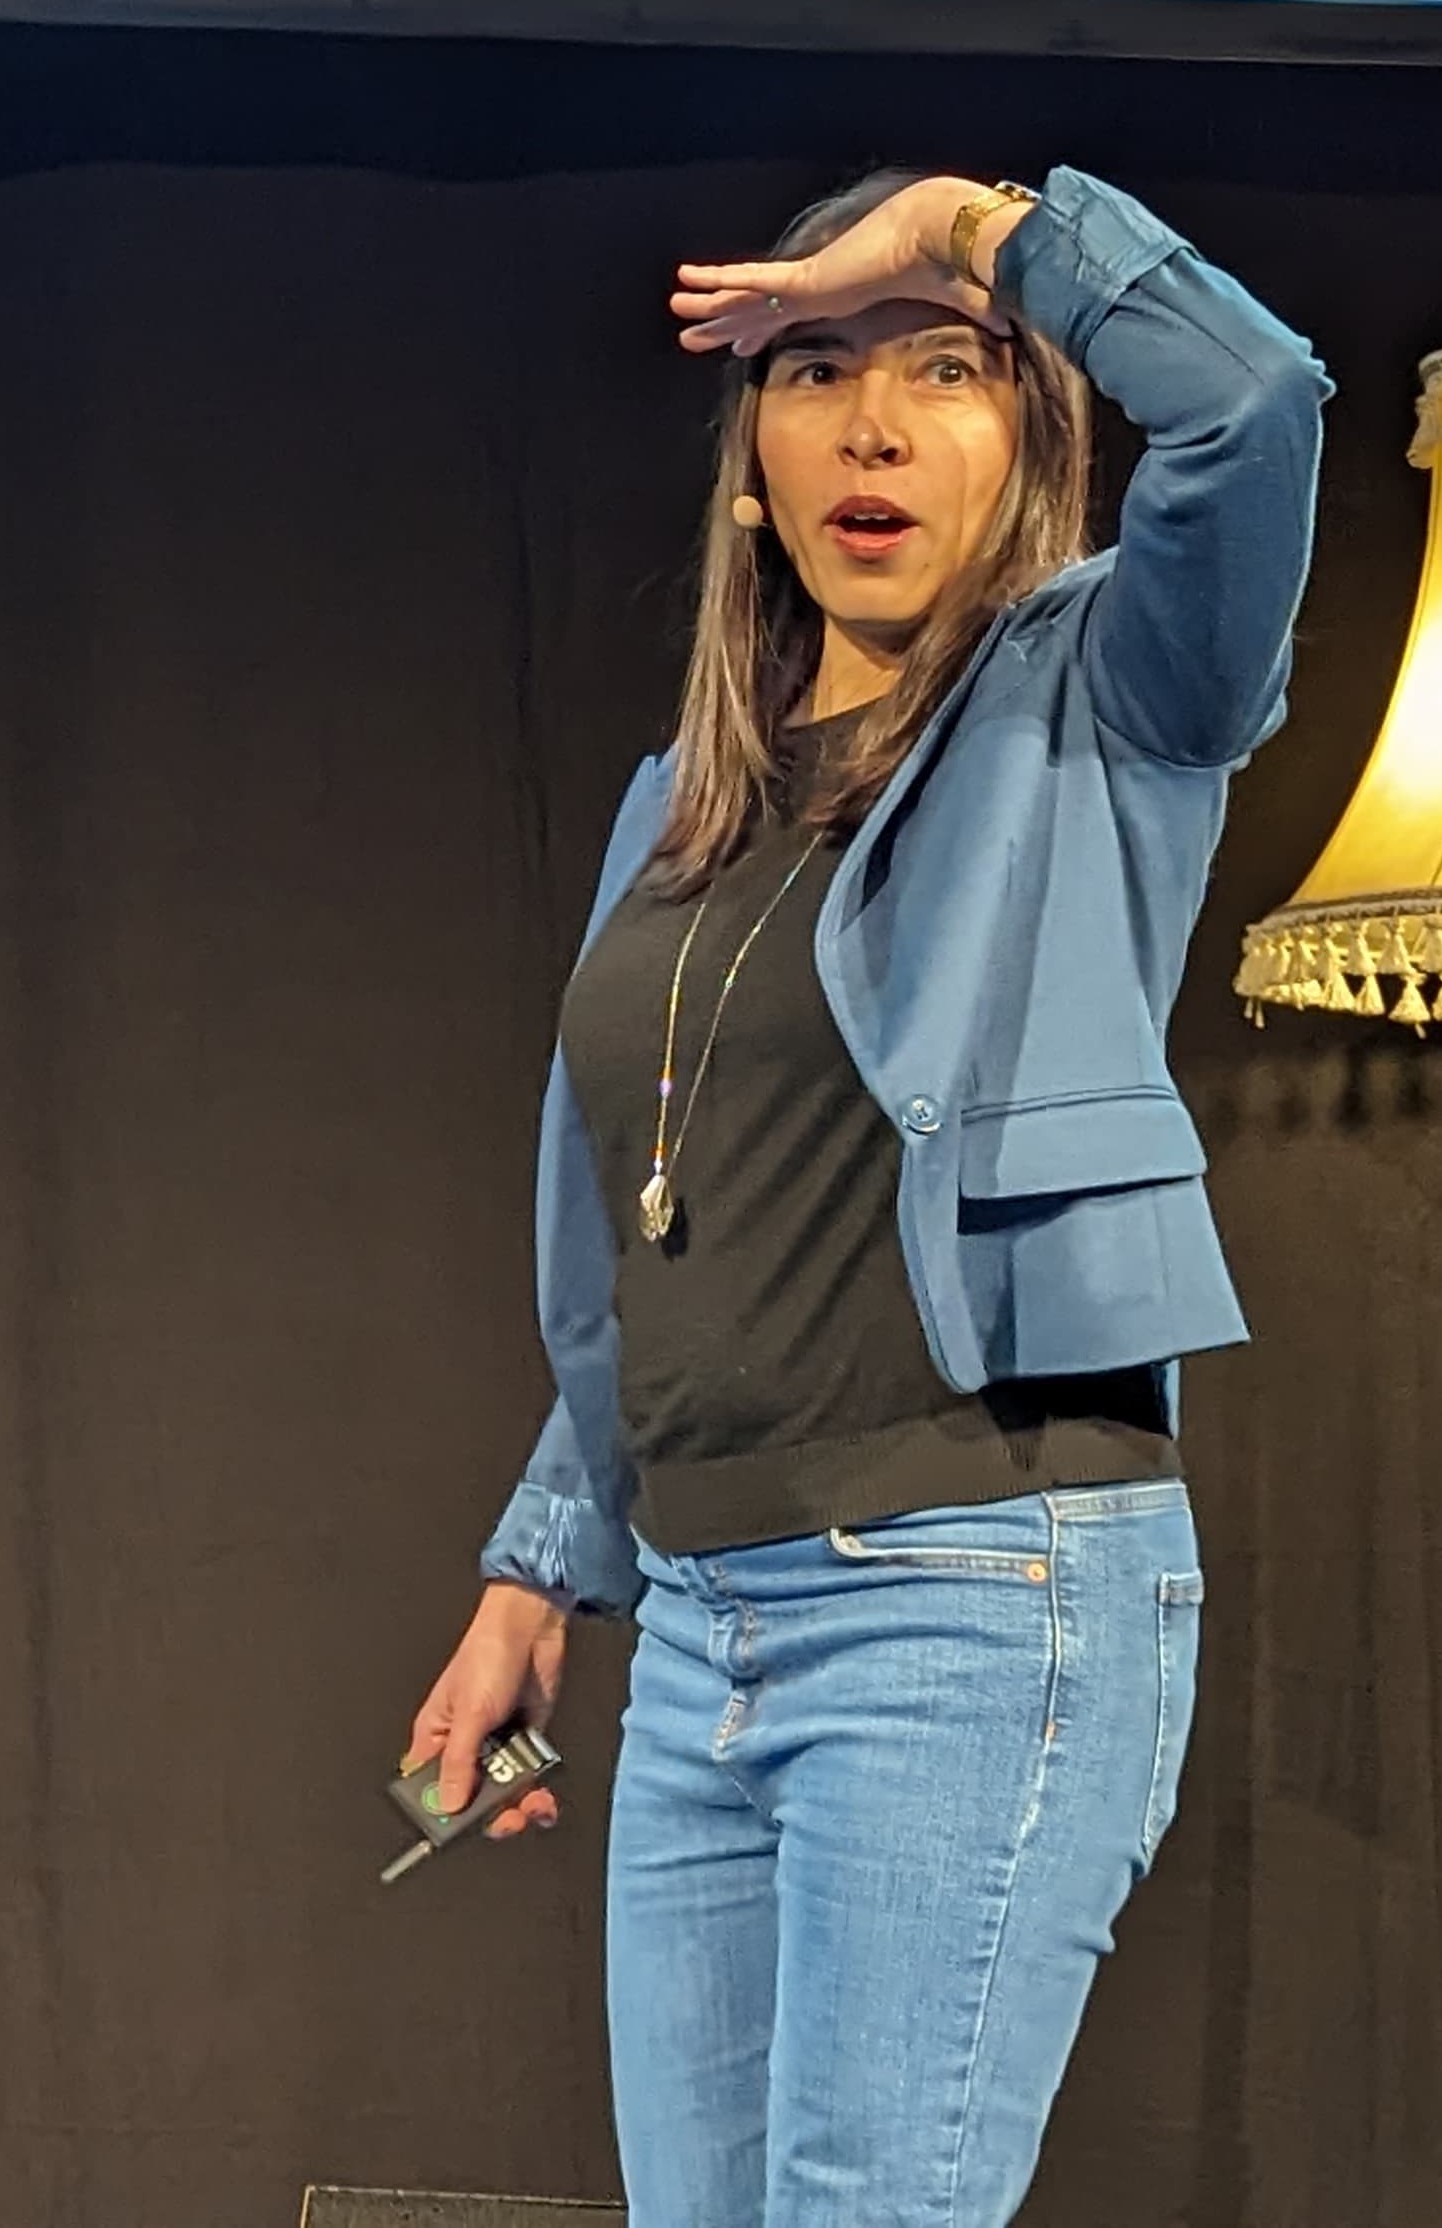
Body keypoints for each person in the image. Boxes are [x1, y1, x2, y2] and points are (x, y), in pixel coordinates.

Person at [401, 166, 1327, 2225]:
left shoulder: (1111, 697)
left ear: (1038, 440)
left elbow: (1261, 403)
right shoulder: (684, 808)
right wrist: (542, 1572)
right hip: (715, 1629)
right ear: (755, 462)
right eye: (819, 372)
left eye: (946, 371)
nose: (878, 426)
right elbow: (679, 1230)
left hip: (972, 1594)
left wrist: (957, 225)